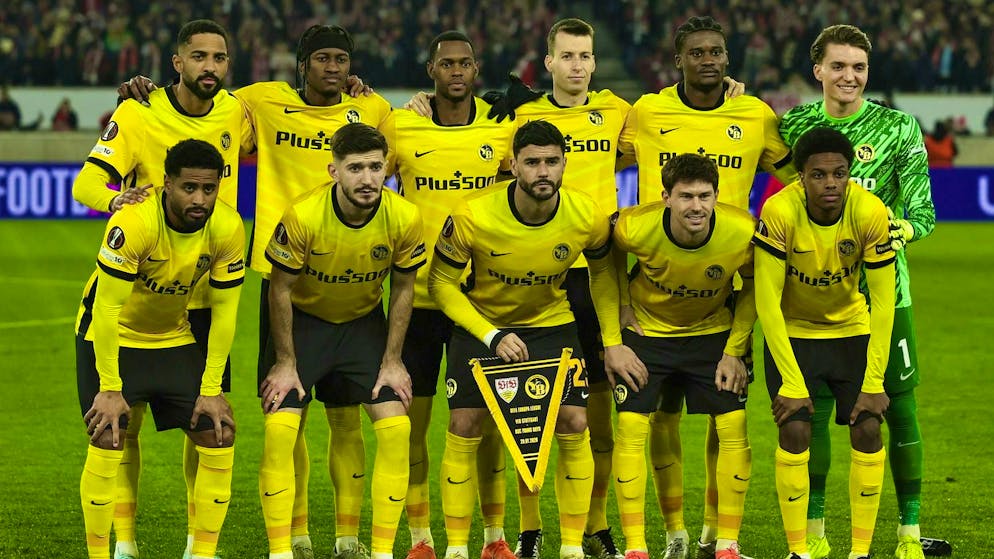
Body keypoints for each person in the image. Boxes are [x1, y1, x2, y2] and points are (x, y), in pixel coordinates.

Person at [117, 24, 383, 559]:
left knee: (345, 416)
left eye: (341, 60)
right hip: (281, 279)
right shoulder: (257, 104)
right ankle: (299, 536)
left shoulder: (372, 110)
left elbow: (396, 159)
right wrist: (143, 95)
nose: (332, 68)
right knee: (291, 416)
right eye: (322, 59)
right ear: (301, 64)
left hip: (355, 281)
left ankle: (350, 540)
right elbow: (197, 108)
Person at [617, 16, 796, 559]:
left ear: (728, 57)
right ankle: (671, 533)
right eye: (697, 53)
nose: (709, 61)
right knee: (662, 417)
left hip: (724, 272)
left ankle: (718, 532)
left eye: (717, 52)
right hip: (655, 276)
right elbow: (592, 149)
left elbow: (796, 179)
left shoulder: (756, 114)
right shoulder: (646, 111)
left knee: (726, 419)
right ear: (679, 60)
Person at [71, 19, 250, 559]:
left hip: (202, 295)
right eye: (199, 57)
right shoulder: (138, 111)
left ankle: (199, 543)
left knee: (209, 421)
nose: (210, 68)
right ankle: (123, 540)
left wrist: (359, 91)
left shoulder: (240, 113)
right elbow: (85, 182)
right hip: (141, 286)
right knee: (123, 425)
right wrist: (114, 203)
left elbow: (310, 117)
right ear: (177, 62)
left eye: (219, 58)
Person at [779, 24, 943, 559]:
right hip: (812, 297)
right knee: (815, 409)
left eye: (860, 67)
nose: (850, 76)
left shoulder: (898, 128)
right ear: (818, 71)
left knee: (896, 408)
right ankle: (818, 533)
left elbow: (923, 213)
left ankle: (909, 535)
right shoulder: (794, 124)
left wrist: (902, 229)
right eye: (840, 66)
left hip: (885, 294)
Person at [428, 120, 613, 559]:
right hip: (482, 325)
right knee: (464, 425)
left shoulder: (586, 215)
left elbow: (606, 273)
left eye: (552, 161)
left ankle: (571, 546)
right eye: (532, 162)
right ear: (513, 166)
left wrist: (613, 336)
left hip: (552, 325)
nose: (543, 171)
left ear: (566, 164)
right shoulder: (472, 215)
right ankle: (457, 548)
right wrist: (492, 336)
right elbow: (440, 284)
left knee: (574, 422)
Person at [379, 30, 517, 559]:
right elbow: (365, 175)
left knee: (483, 424)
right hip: (414, 302)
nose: (456, 71)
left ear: (476, 70)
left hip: (478, 302)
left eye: (464, 63)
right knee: (413, 425)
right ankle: (419, 538)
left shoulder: (502, 125)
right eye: (446, 64)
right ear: (431, 70)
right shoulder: (403, 123)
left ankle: (494, 537)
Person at [260, 122, 424, 559]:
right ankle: (284, 548)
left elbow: (404, 289)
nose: (368, 178)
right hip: (305, 325)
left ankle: (369, 547)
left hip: (361, 326)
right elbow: (279, 289)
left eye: (375, 167)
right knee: (281, 427)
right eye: (355, 168)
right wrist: (285, 361)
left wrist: (393, 360)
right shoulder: (303, 215)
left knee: (395, 428)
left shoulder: (404, 216)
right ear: (333, 170)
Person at [600, 153, 757, 559]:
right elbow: (606, 258)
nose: (696, 206)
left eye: (705, 196)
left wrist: (735, 350)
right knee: (633, 428)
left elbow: (756, 287)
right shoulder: (635, 225)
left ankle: (725, 545)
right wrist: (618, 312)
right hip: (647, 333)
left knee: (733, 425)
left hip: (712, 335)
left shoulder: (742, 232)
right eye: (686, 196)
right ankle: (640, 547)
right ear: (665, 196)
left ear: (718, 196)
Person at [754, 126, 895, 559]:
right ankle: (799, 551)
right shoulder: (779, 212)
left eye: (839, 173)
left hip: (850, 331)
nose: (830, 183)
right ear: (801, 177)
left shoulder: (869, 211)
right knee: (795, 428)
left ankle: (860, 551)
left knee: (869, 427)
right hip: (793, 334)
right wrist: (792, 382)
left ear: (850, 174)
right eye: (818, 175)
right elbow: (767, 301)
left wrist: (874, 381)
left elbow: (885, 303)